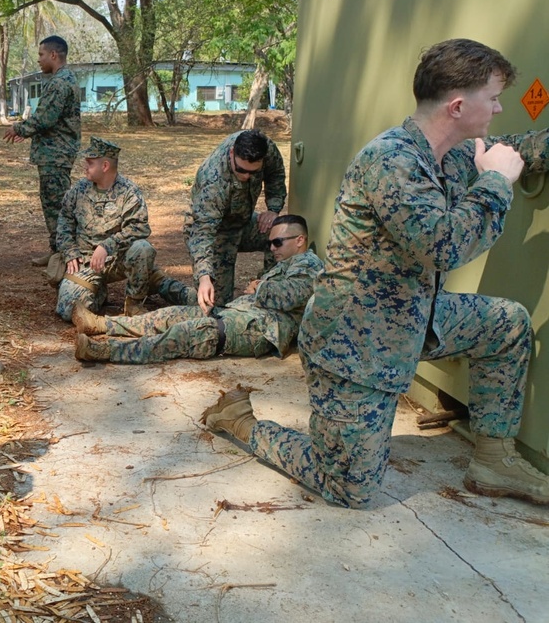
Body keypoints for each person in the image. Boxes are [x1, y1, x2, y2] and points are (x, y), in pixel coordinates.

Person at [202, 38, 549, 508]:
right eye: (493, 97)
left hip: (413, 316)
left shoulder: (451, 152)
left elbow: (515, 150)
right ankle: (241, 421)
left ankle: (493, 458)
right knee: (349, 487)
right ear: (458, 105)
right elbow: (444, 245)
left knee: (506, 323)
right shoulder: (393, 160)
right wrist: (495, 183)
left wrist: (513, 160)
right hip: (355, 342)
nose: (500, 106)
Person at [73, 215, 322, 363]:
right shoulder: (287, 263)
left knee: (183, 334)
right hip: (235, 316)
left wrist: (260, 287)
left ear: (299, 240)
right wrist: (261, 288)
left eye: (278, 242)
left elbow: (291, 296)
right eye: (270, 243)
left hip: (255, 329)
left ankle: (103, 350)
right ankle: (101, 325)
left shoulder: (309, 264)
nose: (272, 248)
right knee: (170, 315)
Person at [55, 136, 192, 322]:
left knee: (143, 248)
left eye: (90, 163)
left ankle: (135, 301)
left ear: (105, 166)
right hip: (86, 261)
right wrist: (70, 251)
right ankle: (99, 289)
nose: (84, 166)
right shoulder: (79, 190)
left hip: (118, 259)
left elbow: (139, 227)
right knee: (68, 310)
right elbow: (64, 222)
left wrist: (107, 245)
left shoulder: (128, 192)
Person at [184, 129, 287, 310]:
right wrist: (204, 276)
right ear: (232, 153)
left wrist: (273, 209)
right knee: (216, 306)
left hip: (243, 222)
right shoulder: (213, 181)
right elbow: (203, 233)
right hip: (216, 232)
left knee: (280, 234)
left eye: (253, 172)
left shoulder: (267, 148)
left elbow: (276, 174)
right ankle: (165, 286)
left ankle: (266, 289)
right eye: (241, 170)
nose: (246, 176)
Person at [3, 36, 81, 265]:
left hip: (55, 153)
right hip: (56, 151)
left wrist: (19, 128)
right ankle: (57, 249)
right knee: (55, 202)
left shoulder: (59, 82)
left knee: (56, 204)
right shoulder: (65, 78)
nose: (39, 60)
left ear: (53, 55)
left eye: (41, 55)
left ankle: (64, 254)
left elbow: (45, 118)